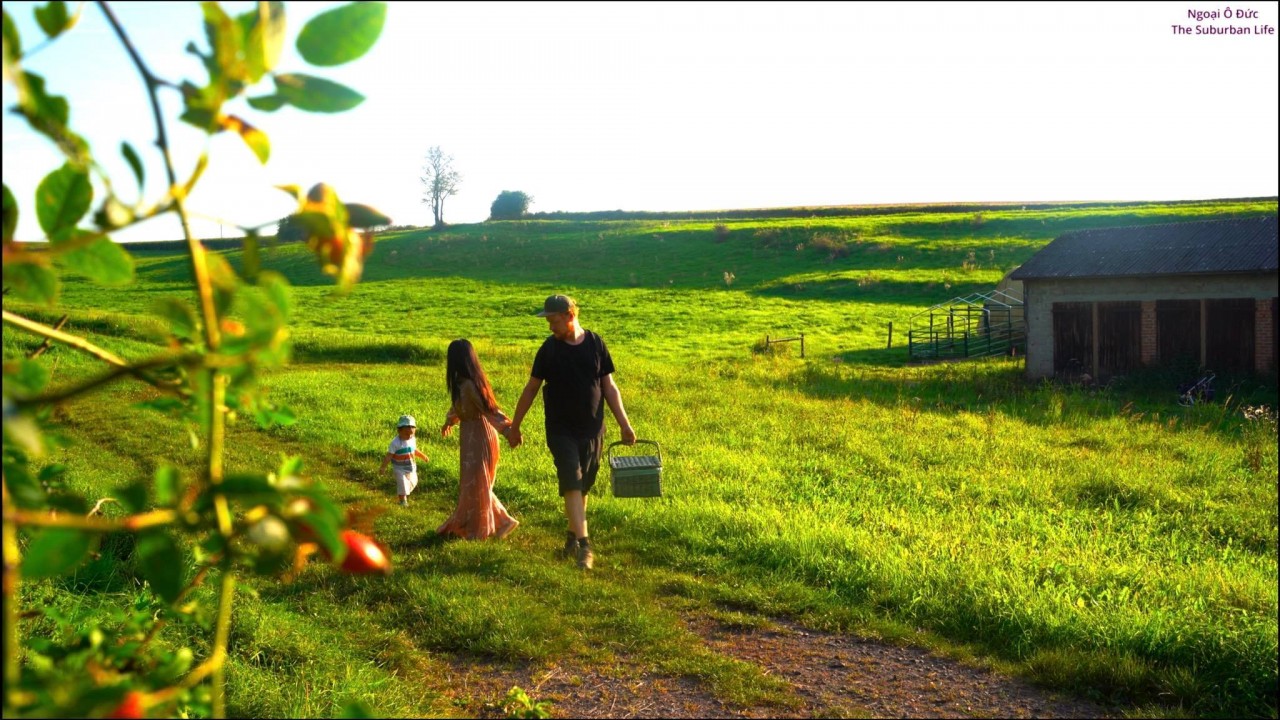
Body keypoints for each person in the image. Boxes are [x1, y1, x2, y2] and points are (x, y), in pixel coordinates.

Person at [507, 294, 636, 570]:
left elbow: (609, 387)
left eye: (553, 321)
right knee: (571, 479)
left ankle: (571, 538)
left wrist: (624, 424)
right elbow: (531, 388)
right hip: (560, 428)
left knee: (583, 484)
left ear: (569, 315)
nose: (550, 327)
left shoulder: (595, 343)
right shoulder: (549, 349)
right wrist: (515, 426)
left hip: (592, 429)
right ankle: (585, 547)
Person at [437, 339, 520, 540]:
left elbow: (491, 411)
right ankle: (498, 524)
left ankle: (489, 527)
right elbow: (459, 407)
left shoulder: (471, 385)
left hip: (482, 436)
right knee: (472, 483)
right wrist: (450, 421)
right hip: (469, 437)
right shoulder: (461, 384)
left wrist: (509, 430)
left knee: (477, 484)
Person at [379, 415, 429, 507]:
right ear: (399, 431)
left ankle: (404, 492)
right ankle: (403, 500)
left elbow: (414, 450)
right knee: (402, 483)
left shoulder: (412, 439)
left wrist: (423, 456)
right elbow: (389, 456)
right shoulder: (395, 443)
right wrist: (383, 467)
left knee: (414, 481)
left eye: (411, 434)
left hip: (411, 467)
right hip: (399, 468)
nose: (409, 436)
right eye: (406, 434)